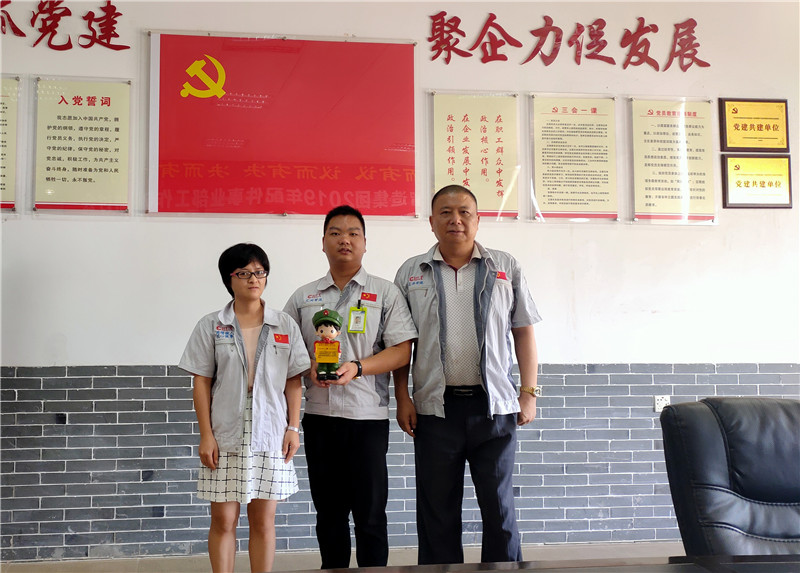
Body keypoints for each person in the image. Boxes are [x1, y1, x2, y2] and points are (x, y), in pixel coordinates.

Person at [393, 185, 542, 565]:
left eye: (464, 212)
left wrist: (528, 393)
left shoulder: (504, 267)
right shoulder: (411, 272)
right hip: (434, 410)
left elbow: (524, 331)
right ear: (431, 222)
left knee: (500, 509)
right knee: (437, 513)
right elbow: (400, 343)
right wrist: (402, 397)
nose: (455, 220)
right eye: (445, 212)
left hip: (494, 408)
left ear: (477, 220)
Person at [283, 205, 417, 569]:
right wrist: (307, 365)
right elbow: (285, 352)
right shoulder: (303, 297)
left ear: (364, 243)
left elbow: (402, 350)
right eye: (336, 233)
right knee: (329, 513)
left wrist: (358, 368)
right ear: (323, 242)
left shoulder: (385, 293)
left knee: (370, 514)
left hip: (367, 419)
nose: (345, 239)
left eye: (353, 233)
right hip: (319, 417)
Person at [179, 243, 310, 573]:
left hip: (271, 430)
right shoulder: (212, 325)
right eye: (245, 273)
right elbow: (201, 382)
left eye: (260, 272)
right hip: (225, 431)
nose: (254, 279)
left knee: (263, 520)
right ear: (230, 278)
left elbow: (294, 381)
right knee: (223, 519)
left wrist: (293, 428)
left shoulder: (284, 325)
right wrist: (206, 435)